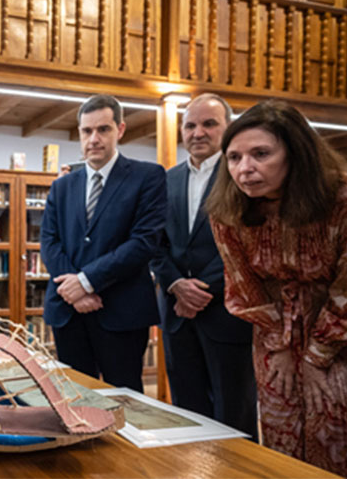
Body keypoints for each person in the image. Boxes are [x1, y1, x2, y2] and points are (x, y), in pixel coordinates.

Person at [207, 100, 347, 476]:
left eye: (261, 154)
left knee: (334, 432)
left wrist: (317, 355)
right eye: (234, 157)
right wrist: (280, 346)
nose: (244, 169)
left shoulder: (343, 201)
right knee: (279, 430)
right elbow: (243, 285)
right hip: (273, 337)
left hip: (340, 339)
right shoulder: (228, 210)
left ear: (296, 153)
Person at [41, 94, 167, 392]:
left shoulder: (147, 177)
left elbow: (144, 242)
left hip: (121, 311)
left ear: (120, 130)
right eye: (87, 131)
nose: (94, 139)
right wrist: (74, 291)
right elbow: (49, 241)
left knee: (125, 402)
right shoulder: (62, 186)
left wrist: (86, 281)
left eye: (103, 130)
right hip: (68, 312)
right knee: (73, 399)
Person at [150, 93, 258, 438]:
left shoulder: (243, 177)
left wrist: (200, 290)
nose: (198, 132)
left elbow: (248, 244)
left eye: (209, 124)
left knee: (233, 412)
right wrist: (175, 284)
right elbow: (153, 242)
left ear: (228, 128)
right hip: (177, 314)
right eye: (190, 125)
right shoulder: (165, 180)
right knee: (187, 412)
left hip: (226, 313)